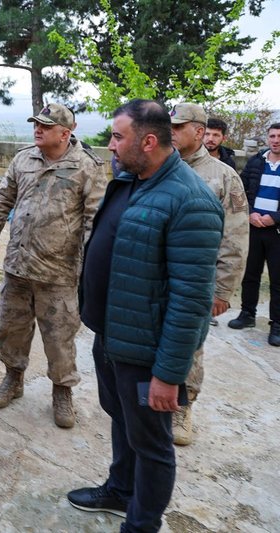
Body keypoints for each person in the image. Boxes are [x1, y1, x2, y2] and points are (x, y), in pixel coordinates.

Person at [67, 100, 223, 532]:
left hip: (147, 351)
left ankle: (141, 524)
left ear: (148, 141)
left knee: (153, 445)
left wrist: (168, 374)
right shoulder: (132, 181)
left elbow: (192, 300)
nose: (110, 146)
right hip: (114, 335)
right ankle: (120, 489)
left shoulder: (190, 201)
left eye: (118, 137)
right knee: (123, 421)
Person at [0, 103, 107, 428]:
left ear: (65, 133)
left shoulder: (87, 166)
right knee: (11, 329)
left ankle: (62, 391)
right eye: (36, 124)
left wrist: (88, 266)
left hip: (59, 273)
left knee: (59, 338)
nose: (37, 129)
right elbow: (2, 198)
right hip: (18, 267)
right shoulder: (23, 158)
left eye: (45, 125)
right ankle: (13, 378)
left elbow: (96, 220)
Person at [169, 103, 249, 445]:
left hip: (196, 281)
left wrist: (223, 290)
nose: (170, 132)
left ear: (199, 132)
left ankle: (183, 407)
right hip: (158, 277)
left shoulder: (222, 176)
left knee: (189, 346)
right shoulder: (158, 166)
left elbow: (235, 236)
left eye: (179, 126)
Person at [227, 122, 280, 347]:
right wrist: (249, 213)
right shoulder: (256, 161)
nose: (276, 140)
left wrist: (275, 218)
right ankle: (247, 314)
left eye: (279, 136)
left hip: (276, 230)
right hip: (253, 227)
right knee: (250, 275)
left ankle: (277, 324)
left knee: (278, 280)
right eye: (272, 136)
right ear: (267, 138)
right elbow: (239, 189)